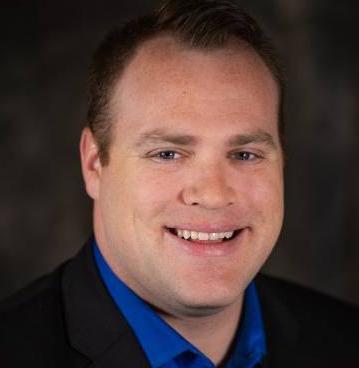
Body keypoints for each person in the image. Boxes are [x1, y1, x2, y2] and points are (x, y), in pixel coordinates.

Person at [1, 0, 358, 367]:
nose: (214, 195)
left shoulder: (346, 341)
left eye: (245, 154)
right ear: (94, 164)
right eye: (168, 154)